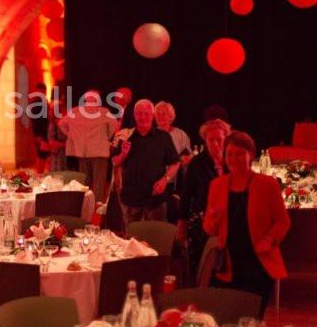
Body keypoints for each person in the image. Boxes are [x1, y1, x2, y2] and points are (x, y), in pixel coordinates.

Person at [203, 131, 290, 315]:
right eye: (229, 154)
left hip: (258, 264)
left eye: (239, 154)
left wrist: (269, 239)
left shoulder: (267, 184)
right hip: (229, 264)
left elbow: (283, 221)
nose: (234, 159)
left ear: (251, 154)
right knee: (225, 318)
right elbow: (209, 229)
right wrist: (213, 220)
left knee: (251, 322)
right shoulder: (217, 185)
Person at [177, 118, 231, 278]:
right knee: (203, 266)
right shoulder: (196, 163)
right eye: (211, 140)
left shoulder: (233, 159)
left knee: (226, 266)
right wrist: (182, 226)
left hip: (229, 221)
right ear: (205, 140)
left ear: (226, 138)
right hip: (202, 223)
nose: (215, 144)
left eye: (219, 139)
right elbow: (186, 196)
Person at [112, 99, 180, 223]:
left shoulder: (163, 137)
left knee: (155, 239)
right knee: (131, 238)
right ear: (134, 115)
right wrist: (123, 154)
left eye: (147, 113)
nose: (143, 116)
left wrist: (165, 180)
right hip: (131, 198)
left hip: (155, 198)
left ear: (152, 115)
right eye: (139, 113)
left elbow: (175, 163)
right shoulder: (126, 136)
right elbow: (114, 163)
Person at [59, 90, 118, 203]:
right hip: (100, 152)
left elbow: (61, 123)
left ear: (85, 99)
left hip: (83, 152)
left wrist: (73, 137)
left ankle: (84, 207)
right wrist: (107, 137)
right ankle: (97, 210)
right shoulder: (103, 111)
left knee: (84, 182)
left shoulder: (76, 112)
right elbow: (114, 125)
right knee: (99, 183)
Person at [28, 83, 51, 173]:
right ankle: (39, 177)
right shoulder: (36, 103)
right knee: (42, 158)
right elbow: (35, 121)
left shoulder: (43, 102)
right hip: (41, 135)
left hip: (45, 134)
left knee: (44, 157)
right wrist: (38, 136)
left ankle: (40, 177)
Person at [47, 90, 68, 172]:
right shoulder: (53, 124)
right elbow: (51, 142)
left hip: (64, 156)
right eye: (63, 109)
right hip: (59, 155)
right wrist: (66, 144)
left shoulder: (65, 123)